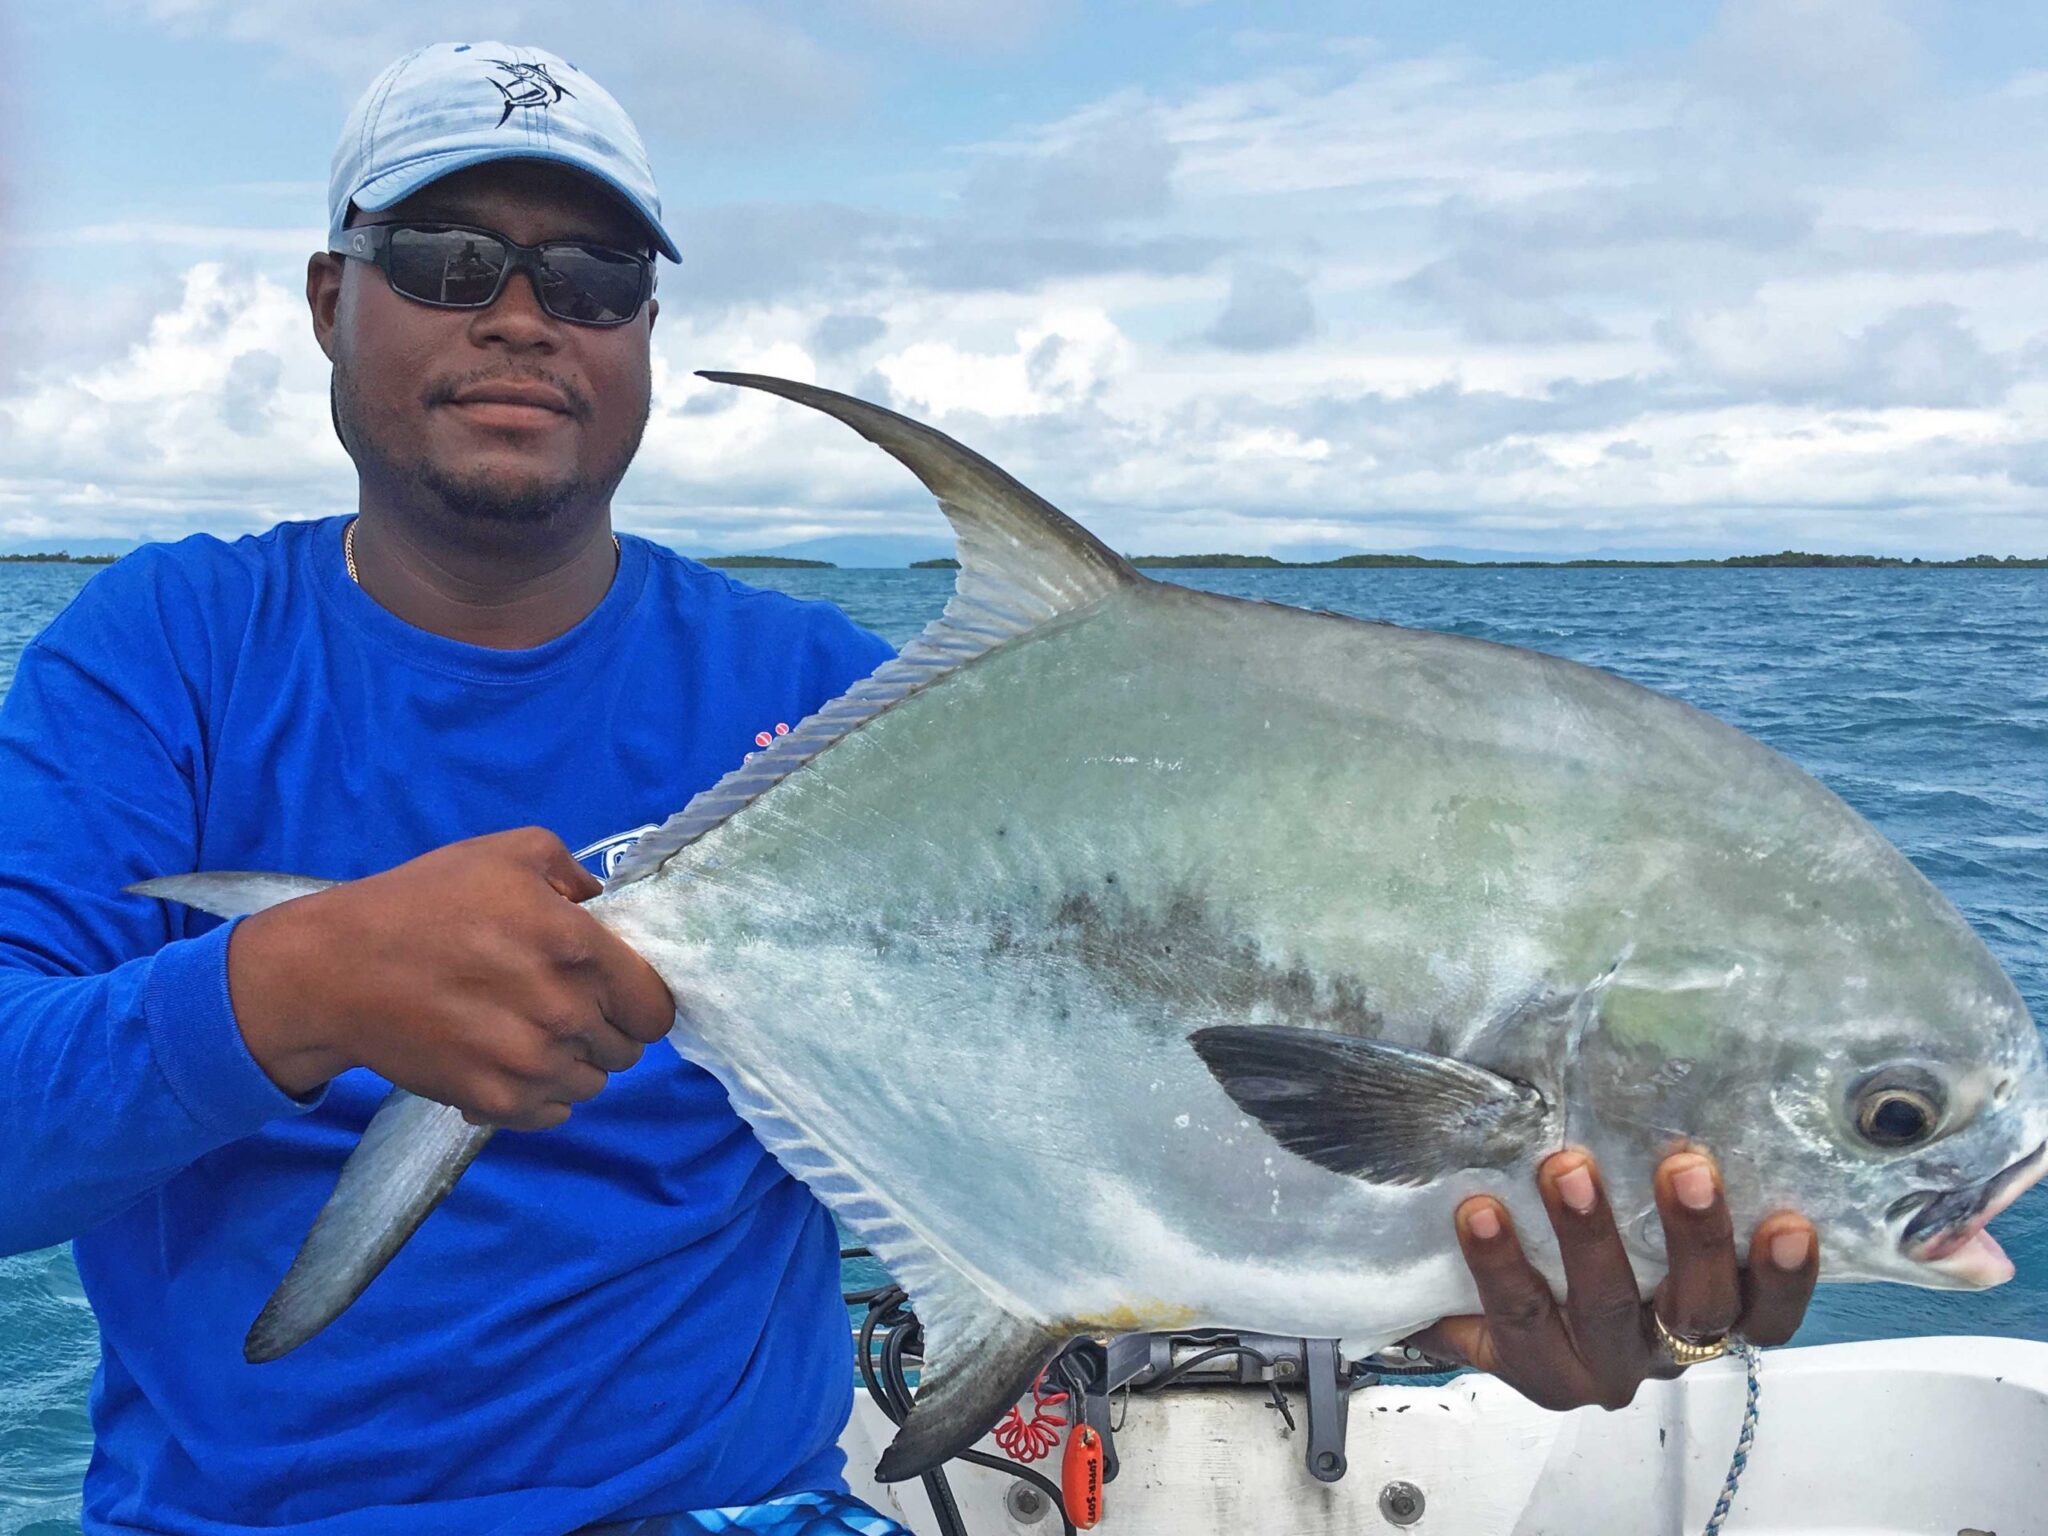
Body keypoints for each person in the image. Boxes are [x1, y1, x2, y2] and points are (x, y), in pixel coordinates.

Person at [0, 40, 1818, 1536]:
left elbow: (1099, 1057)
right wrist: (290, 992)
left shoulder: (820, 700)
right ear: (333, 300)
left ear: (638, 328)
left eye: (593, 274)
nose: (523, 314)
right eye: (447, 260)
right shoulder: (160, 653)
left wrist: (1441, 1276)